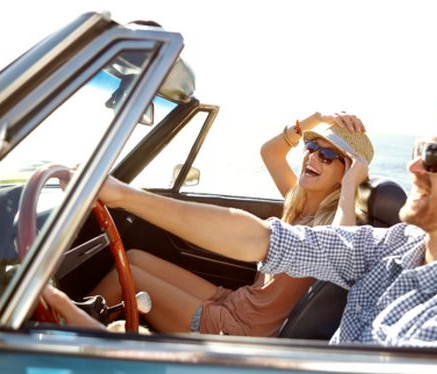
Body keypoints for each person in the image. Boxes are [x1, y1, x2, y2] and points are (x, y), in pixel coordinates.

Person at [45, 112, 373, 335]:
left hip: (242, 329)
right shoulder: (298, 202)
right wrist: (318, 118)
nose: (312, 157)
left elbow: (344, 249)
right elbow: (270, 153)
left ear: (346, 173)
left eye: (327, 156)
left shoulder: (333, 225)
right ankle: (88, 329)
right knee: (134, 259)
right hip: (237, 301)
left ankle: (60, 337)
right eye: (312, 147)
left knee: (126, 277)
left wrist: (350, 187)